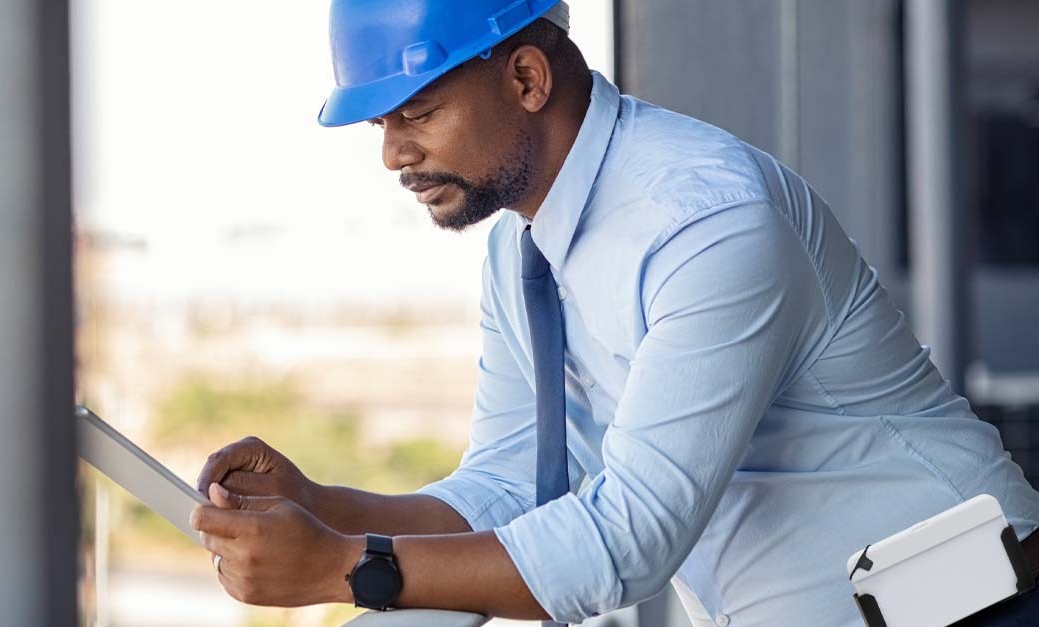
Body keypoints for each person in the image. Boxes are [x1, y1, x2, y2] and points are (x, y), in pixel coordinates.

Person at [190, 1, 1039, 625]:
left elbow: (627, 538)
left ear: (526, 77)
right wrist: (330, 509)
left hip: (972, 602)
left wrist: (348, 569)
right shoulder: (520, 250)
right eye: (381, 122)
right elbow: (510, 489)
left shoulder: (705, 220)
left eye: (417, 112)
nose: (391, 154)